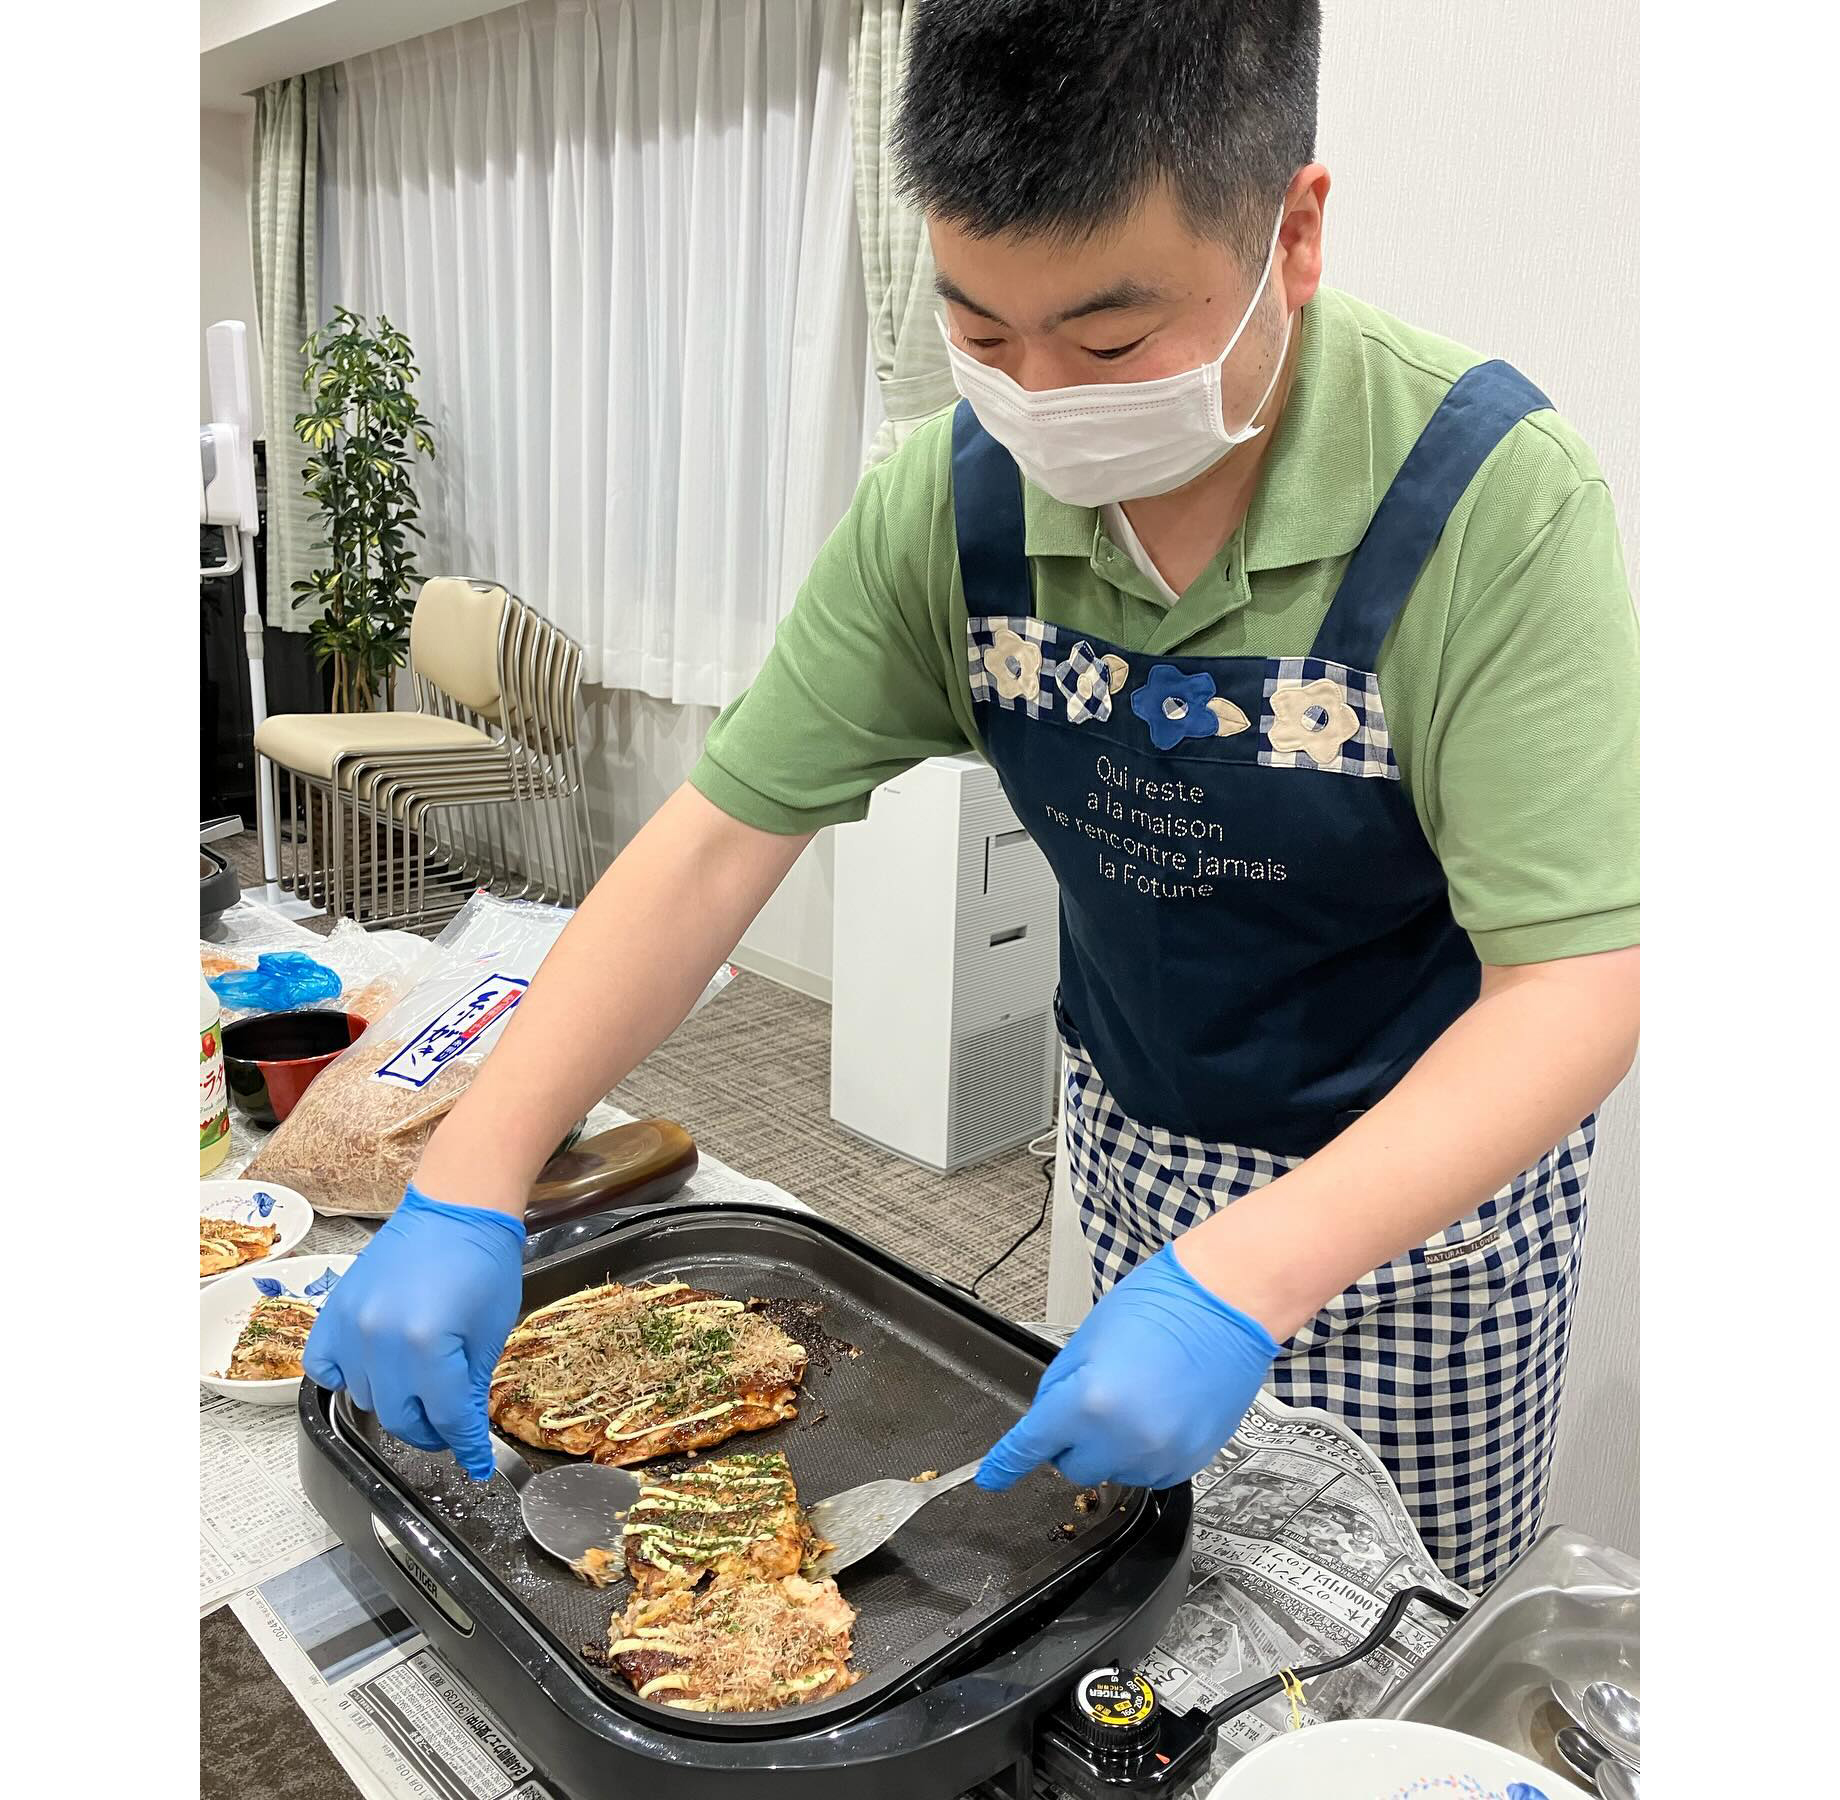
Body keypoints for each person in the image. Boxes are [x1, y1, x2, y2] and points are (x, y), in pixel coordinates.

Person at [306, 0, 1638, 1593]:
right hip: (1141, 1133)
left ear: (1292, 232)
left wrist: (1254, 1276)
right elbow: (722, 837)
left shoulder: (1487, 502)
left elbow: (1576, 981)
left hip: (1428, 1198)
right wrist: (474, 1170)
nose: (1043, 397)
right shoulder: (947, 506)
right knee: (1137, 1600)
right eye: (983, 334)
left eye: (1109, 340)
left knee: (1391, 1635)